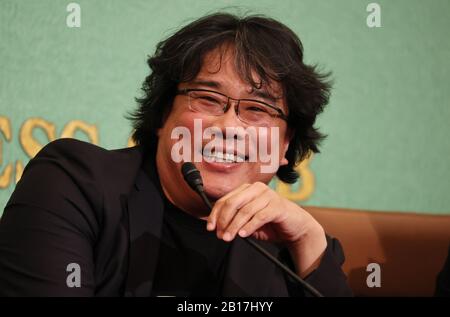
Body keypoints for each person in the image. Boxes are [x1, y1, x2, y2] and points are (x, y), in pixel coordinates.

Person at [0, 12, 352, 296]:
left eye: (258, 109)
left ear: (285, 145)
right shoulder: (74, 183)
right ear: (163, 115)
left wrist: (308, 241)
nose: (229, 126)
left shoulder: (294, 246)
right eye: (208, 98)